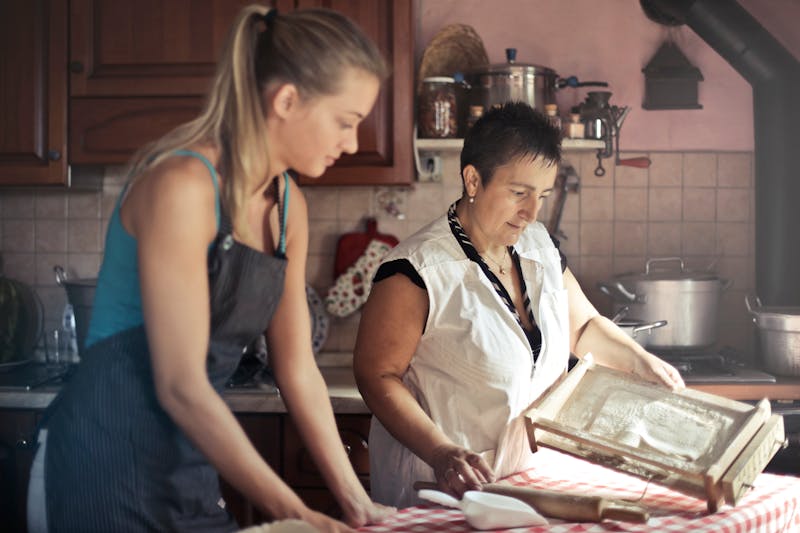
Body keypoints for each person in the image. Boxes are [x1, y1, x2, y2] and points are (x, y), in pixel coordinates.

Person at [27, 5, 394, 532]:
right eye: (346, 120)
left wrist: (357, 504)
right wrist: (298, 513)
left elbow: (297, 370)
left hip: (189, 463)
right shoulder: (183, 185)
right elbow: (180, 385)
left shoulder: (288, 206)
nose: (353, 142)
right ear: (287, 100)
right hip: (99, 460)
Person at [353, 101, 685, 509]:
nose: (531, 212)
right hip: (441, 489)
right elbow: (377, 375)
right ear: (473, 180)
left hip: (525, 482)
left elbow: (582, 328)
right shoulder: (417, 270)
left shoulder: (538, 246)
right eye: (518, 193)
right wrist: (441, 451)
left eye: (542, 195)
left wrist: (639, 361)